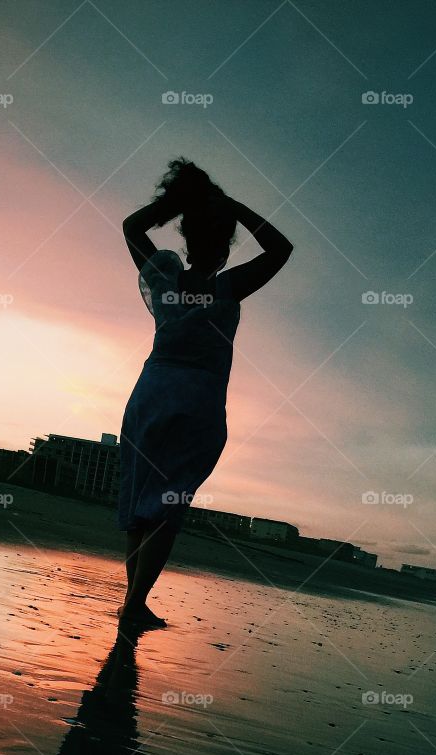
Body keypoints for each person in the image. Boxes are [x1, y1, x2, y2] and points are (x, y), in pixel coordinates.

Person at [117, 158, 293, 631]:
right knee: (168, 507)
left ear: (190, 241)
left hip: (151, 394)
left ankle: (134, 602)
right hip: (196, 403)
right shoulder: (227, 286)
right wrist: (233, 205)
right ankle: (134, 605)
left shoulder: (166, 278)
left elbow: (132, 226)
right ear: (223, 246)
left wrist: (174, 203)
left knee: (141, 506)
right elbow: (281, 249)